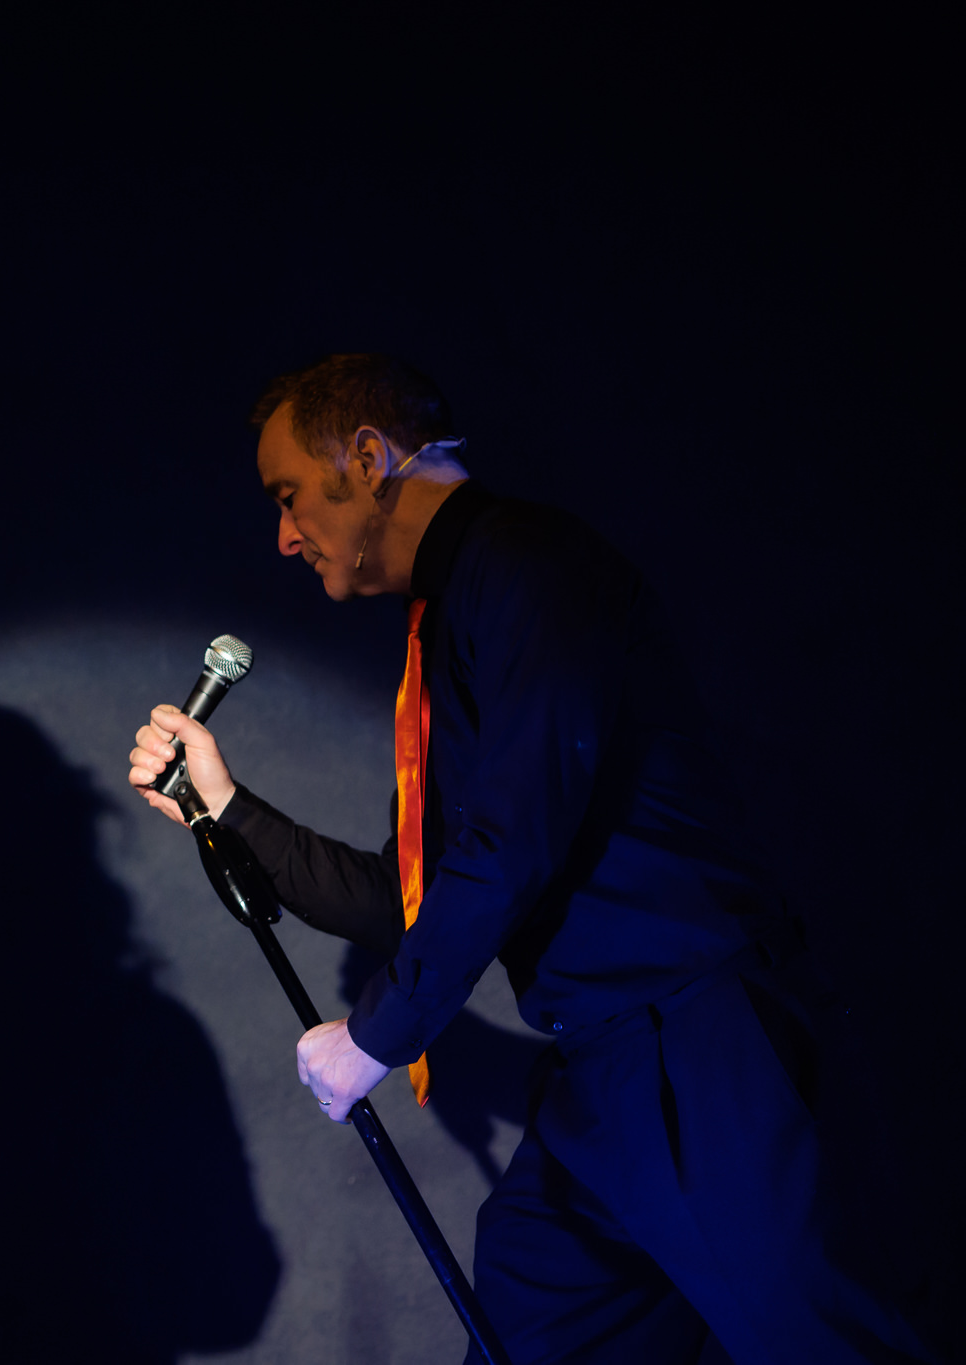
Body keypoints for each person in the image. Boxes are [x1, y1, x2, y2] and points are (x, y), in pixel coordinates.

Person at [126, 354, 926, 1364]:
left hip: (696, 1042)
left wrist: (374, 1036)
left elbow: (511, 840)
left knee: (825, 1344)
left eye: (288, 497)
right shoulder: (447, 625)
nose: (284, 535)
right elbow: (410, 896)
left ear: (366, 459)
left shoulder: (527, 567)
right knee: (529, 1322)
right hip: (604, 1071)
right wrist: (227, 809)